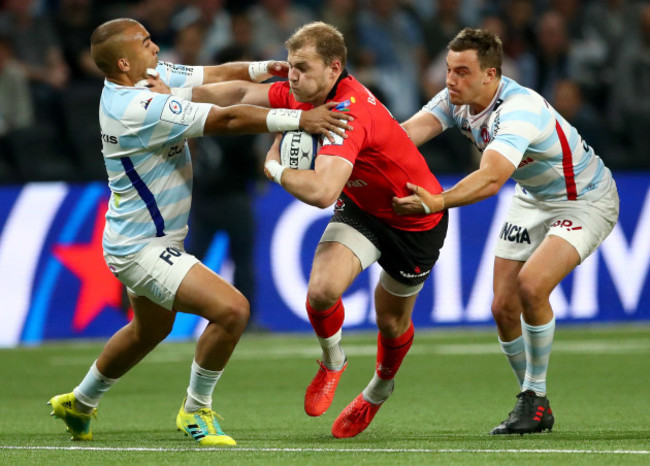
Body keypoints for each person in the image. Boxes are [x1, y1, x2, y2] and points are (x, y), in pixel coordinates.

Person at [46, 17, 352, 446]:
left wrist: (267, 67)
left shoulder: (149, 76)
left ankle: (79, 403)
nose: (156, 47)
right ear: (122, 61)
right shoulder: (135, 107)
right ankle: (196, 411)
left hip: (141, 237)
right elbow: (225, 120)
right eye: (147, 42)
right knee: (232, 310)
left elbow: (217, 75)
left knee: (149, 330)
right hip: (141, 248)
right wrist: (297, 120)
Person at [193, 21, 448, 438]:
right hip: (364, 210)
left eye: (303, 68)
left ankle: (378, 390)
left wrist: (274, 167)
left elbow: (324, 192)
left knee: (392, 323)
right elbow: (239, 93)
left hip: (414, 219)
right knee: (321, 291)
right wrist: (173, 98)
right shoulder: (305, 96)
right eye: (291, 66)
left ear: (334, 69)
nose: (292, 76)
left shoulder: (349, 112)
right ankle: (333, 362)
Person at [393, 27, 619, 435]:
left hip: (584, 198)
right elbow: (405, 137)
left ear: (491, 75)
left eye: (462, 72)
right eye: (448, 69)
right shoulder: (455, 100)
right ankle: (534, 401)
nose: (450, 80)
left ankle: (533, 398)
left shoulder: (518, 109)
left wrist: (438, 200)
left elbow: (492, 178)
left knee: (531, 286)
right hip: (533, 198)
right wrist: (352, 147)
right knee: (502, 307)